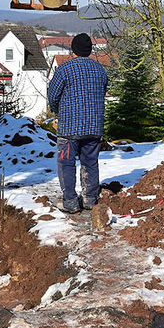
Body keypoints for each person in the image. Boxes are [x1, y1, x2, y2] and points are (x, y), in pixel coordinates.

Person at [47, 33, 108, 213]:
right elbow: (103, 91)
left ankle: (70, 202)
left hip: (69, 128)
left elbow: (53, 95)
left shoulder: (64, 69)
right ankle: (89, 199)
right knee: (90, 162)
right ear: (89, 50)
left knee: (66, 163)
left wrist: (58, 112)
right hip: (94, 127)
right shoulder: (100, 69)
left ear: (73, 49)